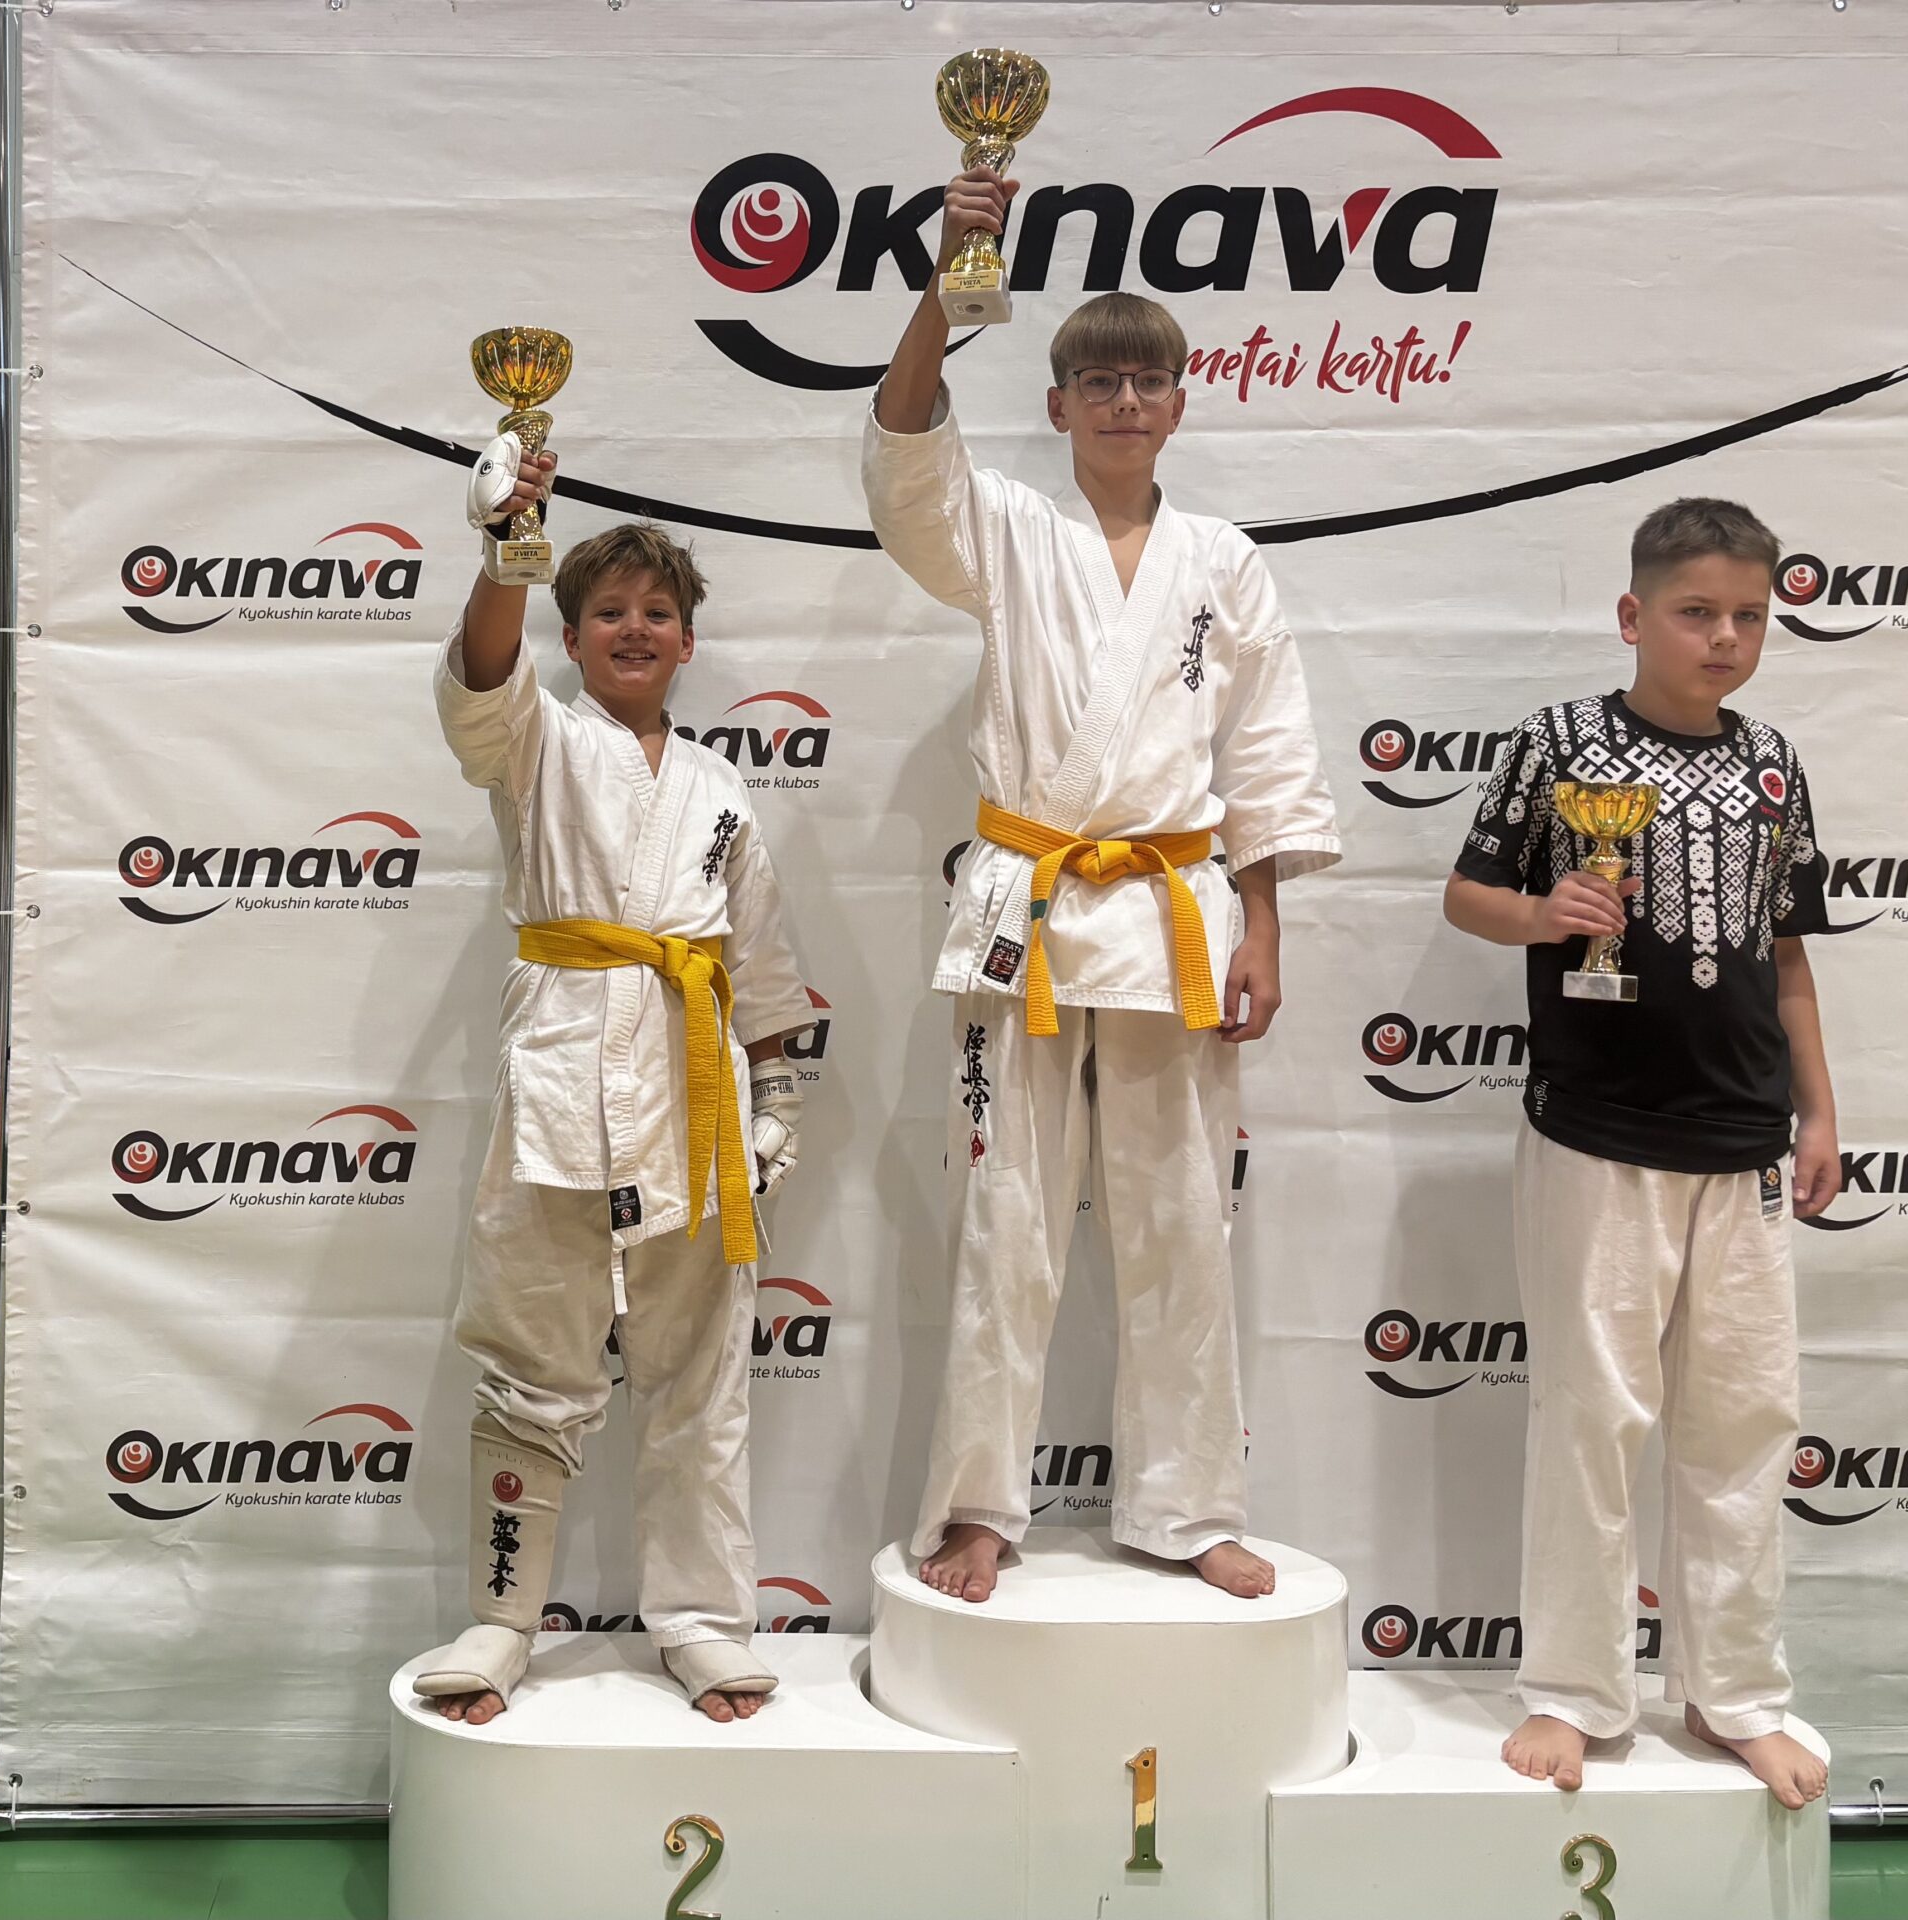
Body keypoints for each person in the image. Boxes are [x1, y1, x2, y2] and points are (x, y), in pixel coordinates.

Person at [863, 164, 1340, 1606]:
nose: (1125, 401)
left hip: (1175, 913)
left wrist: (1263, 926)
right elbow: (903, 460)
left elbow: (1265, 753)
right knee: (1006, 1220)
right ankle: (977, 1509)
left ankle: (1188, 1508)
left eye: (1147, 381)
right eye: (1098, 382)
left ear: (1180, 405)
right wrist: (946, 286)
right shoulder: (1007, 528)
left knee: (1182, 1223)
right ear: (1060, 404)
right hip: (1029, 908)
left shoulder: (1224, 561)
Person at [1443, 497, 1836, 1809]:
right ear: (1632, 616)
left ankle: (1736, 1692)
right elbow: (1465, 892)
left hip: (1745, 1135)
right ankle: (1573, 1689)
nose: (1723, 638)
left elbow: (1787, 954)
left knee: (1744, 1424)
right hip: (1597, 1130)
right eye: (1695, 612)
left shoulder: (1774, 763)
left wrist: (1820, 1112)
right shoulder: (1558, 743)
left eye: (1748, 617)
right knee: (1591, 1418)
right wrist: (1545, 911)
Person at [413, 446, 814, 1726]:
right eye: (607, 613)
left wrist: (776, 1104)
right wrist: (507, 549)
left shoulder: (718, 787)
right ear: (572, 637)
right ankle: (500, 1619)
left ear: (688, 641)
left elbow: (758, 959)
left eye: (656, 612)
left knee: (699, 1377)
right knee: (531, 1362)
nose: (633, 629)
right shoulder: (537, 743)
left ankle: (700, 1622)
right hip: (559, 1080)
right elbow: (481, 675)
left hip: (695, 1098)